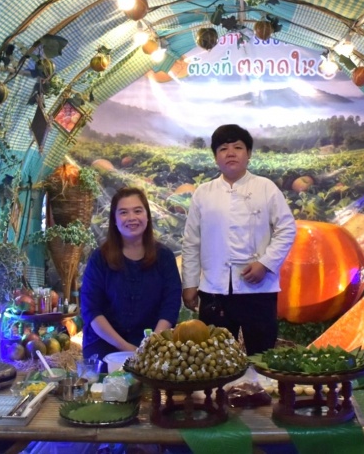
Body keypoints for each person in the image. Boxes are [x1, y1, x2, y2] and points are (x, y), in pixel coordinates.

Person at [181, 124, 297, 355]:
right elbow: (192, 241)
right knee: (215, 358)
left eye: (238, 147)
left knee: (262, 357)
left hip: (258, 290)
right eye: (223, 149)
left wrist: (265, 264)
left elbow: (287, 229)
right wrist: (190, 283)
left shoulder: (266, 188)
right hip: (214, 289)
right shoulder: (203, 193)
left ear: (249, 153)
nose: (231, 153)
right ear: (215, 156)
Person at [80, 187, 182, 365]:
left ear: (147, 216)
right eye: (123, 212)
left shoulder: (164, 257)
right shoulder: (100, 258)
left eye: (137, 211)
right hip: (105, 342)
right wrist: (126, 348)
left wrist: (151, 344)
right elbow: (91, 310)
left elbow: (170, 306)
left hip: (153, 343)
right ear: (114, 220)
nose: (131, 218)